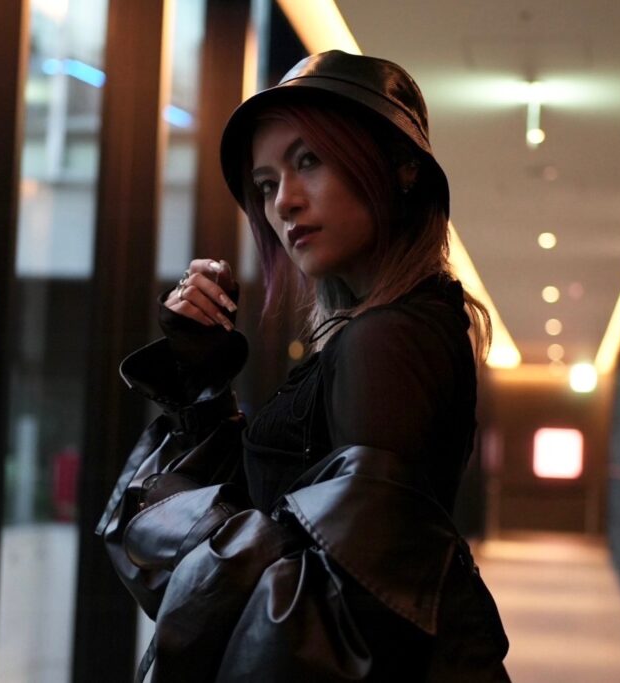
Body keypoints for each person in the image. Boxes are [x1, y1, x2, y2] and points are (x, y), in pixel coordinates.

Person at [98, 50, 510, 682]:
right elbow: (291, 519)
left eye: (309, 161)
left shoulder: (389, 340)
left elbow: (337, 612)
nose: (284, 202)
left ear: (401, 169)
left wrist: (173, 515)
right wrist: (204, 377)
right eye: (266, 185)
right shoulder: (380, 332)